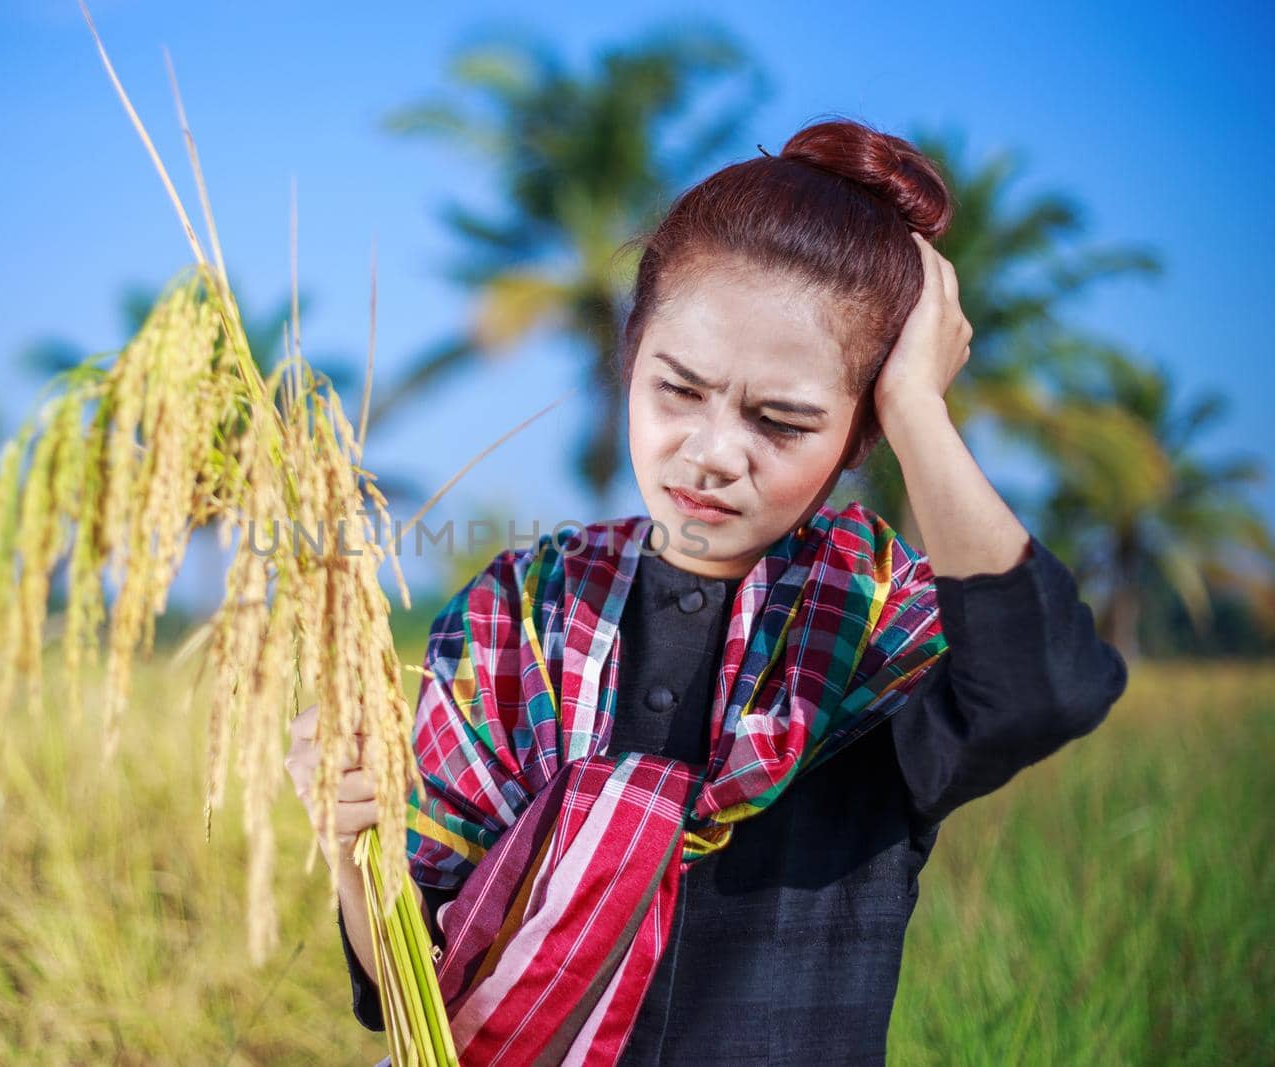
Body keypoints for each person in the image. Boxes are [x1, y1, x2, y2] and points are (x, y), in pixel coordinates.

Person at [284, 117, 1128, 1066]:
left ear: (856, 436)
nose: (711, 452)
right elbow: (409, 992)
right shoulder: (517, 617)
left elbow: (1048, 685)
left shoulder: (870, 636)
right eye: (677, 389)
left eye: (781, 420)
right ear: (630, 355)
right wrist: (351, 845)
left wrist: (918, 407)